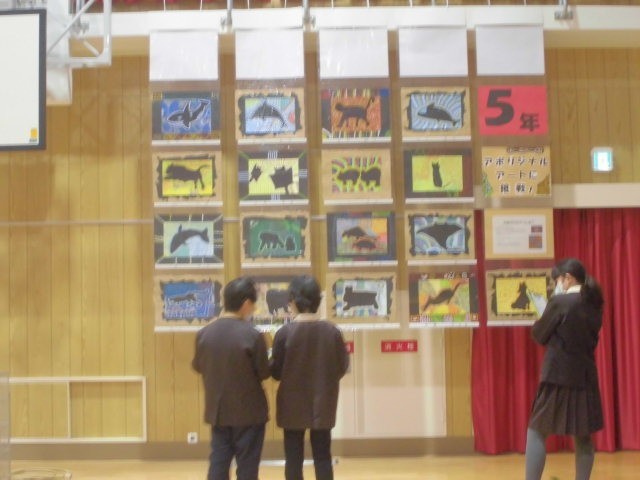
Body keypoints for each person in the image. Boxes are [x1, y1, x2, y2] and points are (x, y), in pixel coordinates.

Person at [525, 258, 605, 480]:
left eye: (557, 280)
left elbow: (539, 335)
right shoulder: (594, 303)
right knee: (583, 436)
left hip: (557, 375)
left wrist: (544, 312)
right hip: (585, 376)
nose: (556, 285)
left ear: (567, 278)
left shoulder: (560, 302)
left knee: (536, 431)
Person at [270, 275, 350, 480]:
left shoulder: (284, 333)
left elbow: (276, 372)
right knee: (323, 456)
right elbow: (342, 367)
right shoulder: (332, 332)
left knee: (293, 458)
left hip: (291, 404)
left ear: (292, 301)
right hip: (323, 403)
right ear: (318, 301)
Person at [192, 276, 270, 480]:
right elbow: (264, 372)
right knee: (247, 468)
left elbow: (198, 366)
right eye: (253, 304)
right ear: (246, 303)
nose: (253, 309)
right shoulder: (253, 335)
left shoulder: (204, 334)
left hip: (218, 411)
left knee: (218, 461)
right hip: (249, 412)